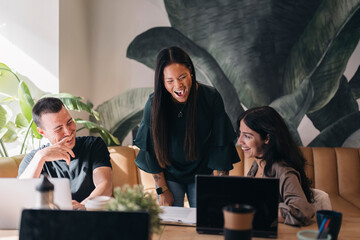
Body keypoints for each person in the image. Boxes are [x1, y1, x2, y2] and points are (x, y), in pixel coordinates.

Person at [134, 46, 240, 208]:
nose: (178, 86)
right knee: (170, 226)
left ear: (190, 71)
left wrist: (220, 187)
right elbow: (151, 149)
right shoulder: (154, 103)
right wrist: (162, 190)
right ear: (162, 81)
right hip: (169, 175)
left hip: (203, 173)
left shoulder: (211, 98)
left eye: (182, 77)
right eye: (170, 81)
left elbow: (220, 145)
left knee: (206, 223)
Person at [18, 97, 112, 210]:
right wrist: (40, 157)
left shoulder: (93, 145)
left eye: (69, 122)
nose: (68, 132)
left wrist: (82, 207)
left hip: (89, 216)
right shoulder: (34, 159)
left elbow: (105, 186)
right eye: (58, 129)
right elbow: (21, 195)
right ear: (42, 132)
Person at [237, 106, 315, 226]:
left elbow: (302, 212)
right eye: (240, 133)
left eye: (247, 136)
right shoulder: (258, 164)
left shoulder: (283, 170)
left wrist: (257, 211)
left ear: (267, 138)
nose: (239, 141)